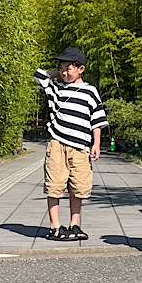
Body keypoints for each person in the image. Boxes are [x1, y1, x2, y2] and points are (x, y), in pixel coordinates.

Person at [34, 46, 107, 240]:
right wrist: (56, 74)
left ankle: (74, 225)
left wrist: (96, 144)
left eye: (69, 68)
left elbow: (97, 120)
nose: (65, 72)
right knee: (54, 185)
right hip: (57, 144)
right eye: (61, 68)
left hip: (80, 146)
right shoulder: (56, 89)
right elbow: (38, 75)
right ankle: (55, 226)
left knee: (79, 187)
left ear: (81, 69)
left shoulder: (90, 92)